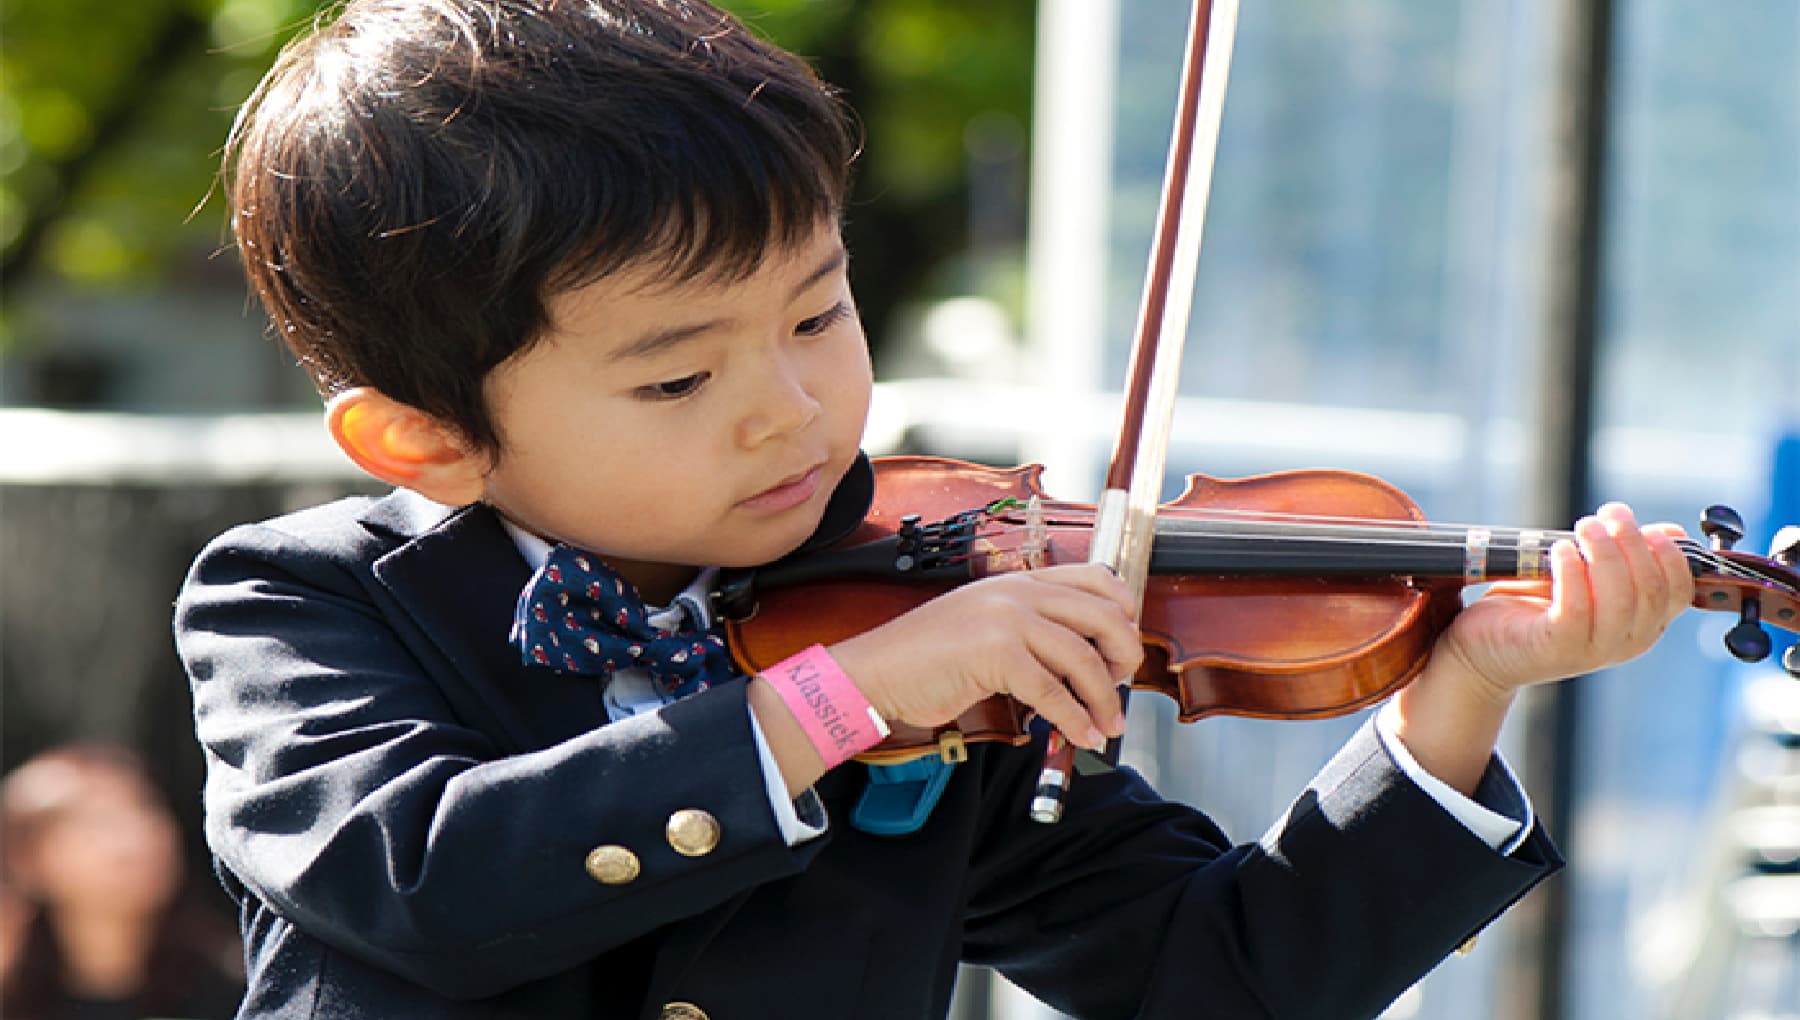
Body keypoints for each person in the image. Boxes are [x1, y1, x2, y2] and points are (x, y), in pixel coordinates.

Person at [172, 1, 1696, 1017]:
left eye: (817, 316)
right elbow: (408, 876)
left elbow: (1225, 978)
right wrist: (842, 703)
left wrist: (1455, 702)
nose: (791, 407)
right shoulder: (304, 601)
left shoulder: (936, 600)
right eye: (674, 381)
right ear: (423, 440)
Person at [0, 744, 244, 1020]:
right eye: (96, 821)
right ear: (26, 859)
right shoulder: (10, 1001)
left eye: (146, 807)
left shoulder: (242, 987)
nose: (135, 837)